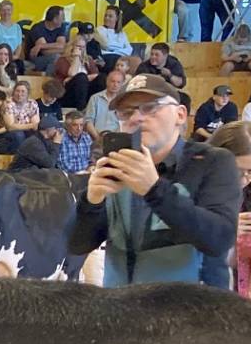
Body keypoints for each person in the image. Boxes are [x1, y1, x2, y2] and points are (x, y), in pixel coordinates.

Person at [71, 73, 241, 286]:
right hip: (121, 303)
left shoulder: (213, 161)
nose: (136, 118)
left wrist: (154, 189)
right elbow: (79, 246)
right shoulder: (116, 168)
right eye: (126, 112)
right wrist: (92, 203)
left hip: (191, 303)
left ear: (180, 115)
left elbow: (219, 240)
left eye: (150, 108)